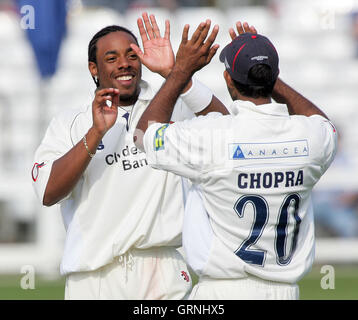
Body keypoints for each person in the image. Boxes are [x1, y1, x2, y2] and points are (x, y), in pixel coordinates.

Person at [134, 21, 338, 299]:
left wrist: (180, 72)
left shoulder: (212, 138)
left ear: (229, 80)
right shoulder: (312, 138)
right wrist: (264, 75)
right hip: (285, 292)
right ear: (274, 76)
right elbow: (322, 123)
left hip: (222, 291)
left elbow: (143, 135)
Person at [31, 12, 228, 300]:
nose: (124, 63)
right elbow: (48, 193)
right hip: (94, 276)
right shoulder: (71, 121)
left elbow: (226, 130)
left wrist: (177, 75)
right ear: (93, 69)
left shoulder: (172, 105)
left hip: (163, 270)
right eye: (111, 58)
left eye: (132, 55)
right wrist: (96, 132)